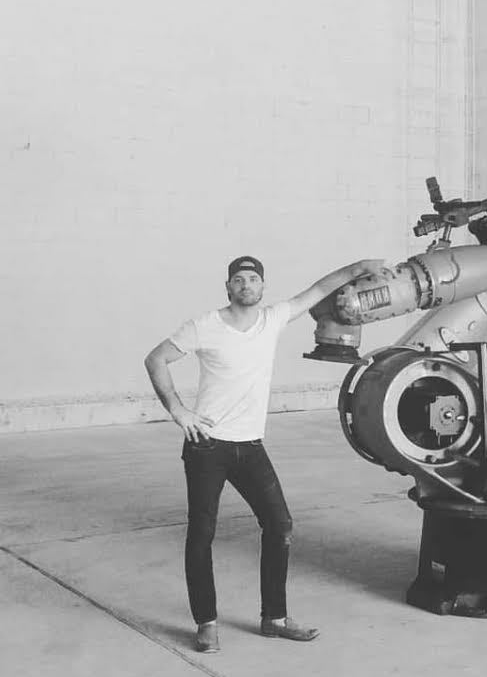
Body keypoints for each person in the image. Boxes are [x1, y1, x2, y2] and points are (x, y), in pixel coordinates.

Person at [144, 254, 382, 653]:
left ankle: (274, 618)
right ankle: (206, 623)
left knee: (279, 525)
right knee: (201, 536)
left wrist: (361, 267)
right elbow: (156, 359)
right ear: (228, 287)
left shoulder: (274, 318)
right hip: (207, 446)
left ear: (262, 287)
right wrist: (178, 410)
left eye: (253, 278)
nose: (246, 285)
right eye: (239, 279)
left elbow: (322, 288)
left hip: (250, 445)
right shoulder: (205, 326)